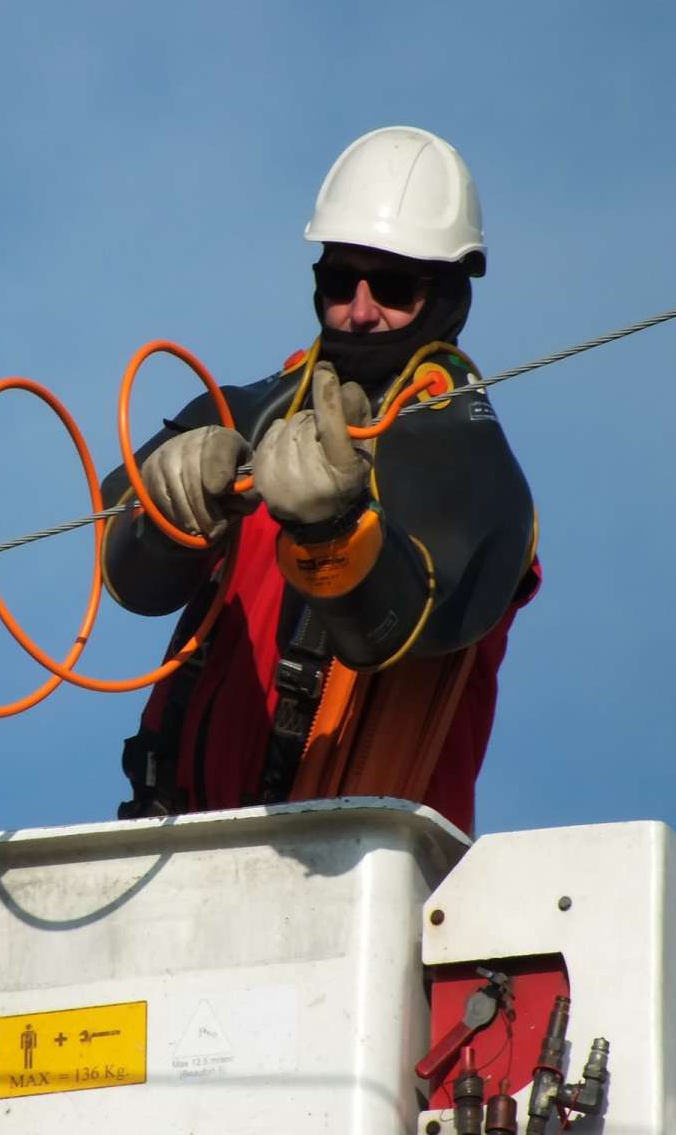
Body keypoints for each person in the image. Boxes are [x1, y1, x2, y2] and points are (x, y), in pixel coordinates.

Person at [103, 126, 538, 835]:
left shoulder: (468, 457)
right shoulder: (252, 412)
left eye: (393, 285)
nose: (361, 311)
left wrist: (333, 532)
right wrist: (164, 514)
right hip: (184, 860)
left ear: (450, 292)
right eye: (342, 282)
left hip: (365, 878)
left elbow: (403, 621)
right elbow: (122, 569)